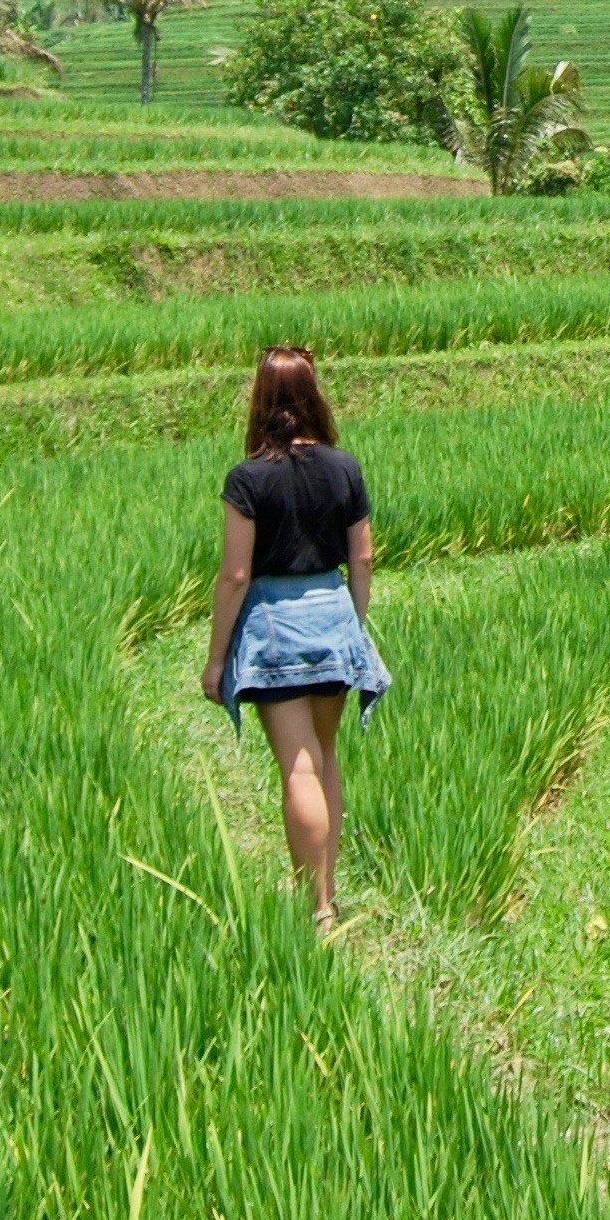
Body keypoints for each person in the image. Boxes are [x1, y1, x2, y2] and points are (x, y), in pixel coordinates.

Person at [201, 344, 390, 925]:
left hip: (275, 627)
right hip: (331, 614)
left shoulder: (248, 477)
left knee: (298, 767)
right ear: (314, 397)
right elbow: (363, 558)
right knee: (326, 757)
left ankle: (317, 906)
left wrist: (215, 663)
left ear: (261, 401)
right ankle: (326, 889)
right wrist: (352, 628)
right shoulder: (345, 467)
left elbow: (235, 575)